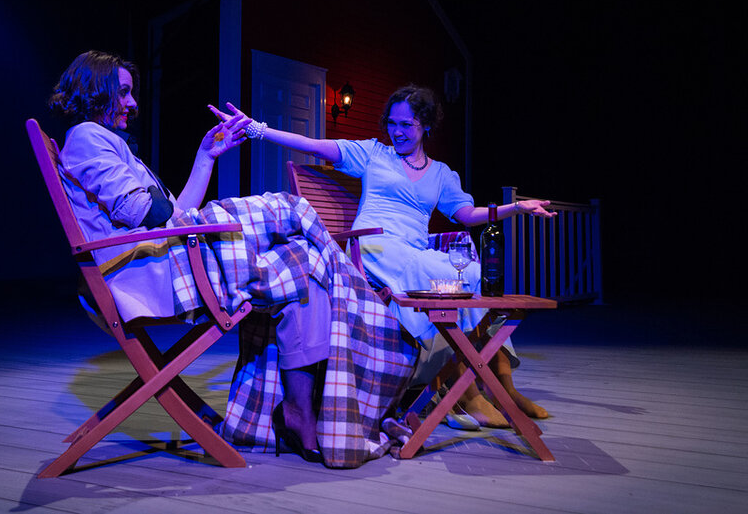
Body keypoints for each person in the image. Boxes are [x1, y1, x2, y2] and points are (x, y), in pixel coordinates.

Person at [48, 51, 415, 467]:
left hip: (166, 260)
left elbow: (174, 213)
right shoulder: (87, 136)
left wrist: (205, 157)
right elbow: (147, 212)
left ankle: (299, 413)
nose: (132, 103)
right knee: (292, 207)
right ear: (97, 91)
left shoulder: (108, 144)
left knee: (307, 267)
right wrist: (158, 204)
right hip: (148, 276)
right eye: (124, 92)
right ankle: (371, 316)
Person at [215, 85, 556, 427]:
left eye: (406, 124)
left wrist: (516, 209)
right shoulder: (373, 154)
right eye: (392, 123)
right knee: (434, 271)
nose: (397, 132)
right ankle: (468, 393)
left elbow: (466, 214)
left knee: (473, 275)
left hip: (413, 250)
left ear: (425, 125)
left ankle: (504, 388)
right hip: (375, 247)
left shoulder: (440, 174)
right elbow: (313, 145)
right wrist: (256, 128)